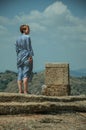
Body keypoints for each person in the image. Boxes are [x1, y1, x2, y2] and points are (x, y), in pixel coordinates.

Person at [15, 24, 34, 94]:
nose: (29, 30)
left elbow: (16, 49)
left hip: (19, 57)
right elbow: (29, 48)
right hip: (26, 56)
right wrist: (30, 56)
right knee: (26, 73)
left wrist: (19, 56)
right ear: (23, 30)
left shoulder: (17, 38)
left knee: (20, 73)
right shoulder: (27, 37)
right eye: (27, 29)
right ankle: (26, 91)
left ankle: (20, 91)